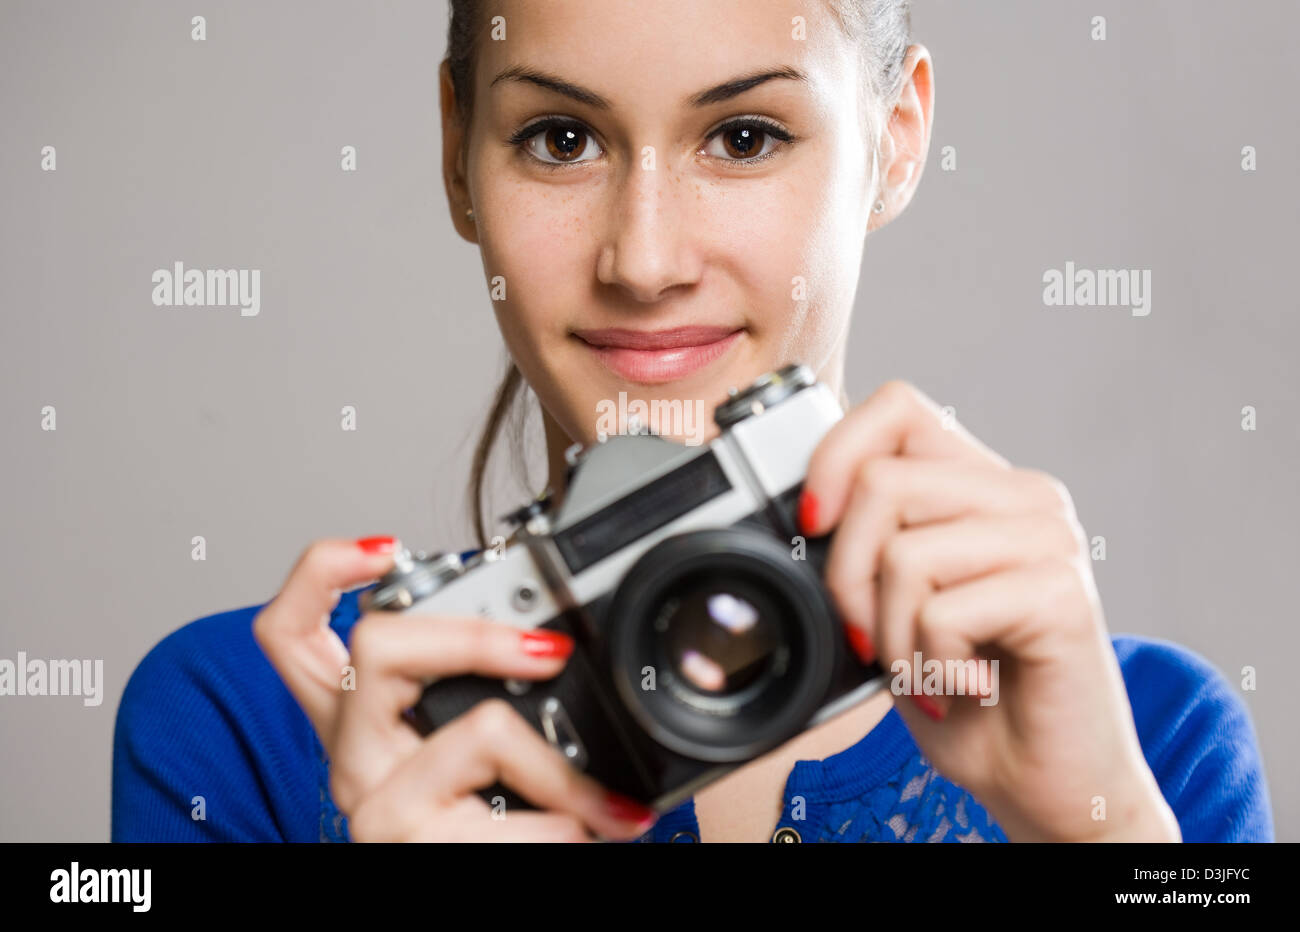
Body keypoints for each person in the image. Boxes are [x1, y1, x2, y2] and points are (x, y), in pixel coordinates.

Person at [112, 0, 1273, 843]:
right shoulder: (249, 718)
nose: (646, 259)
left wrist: (1107, 833)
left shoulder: (1148, 736)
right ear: (459, 154)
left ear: (896, 138)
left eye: (745, 136)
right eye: (559, 139)